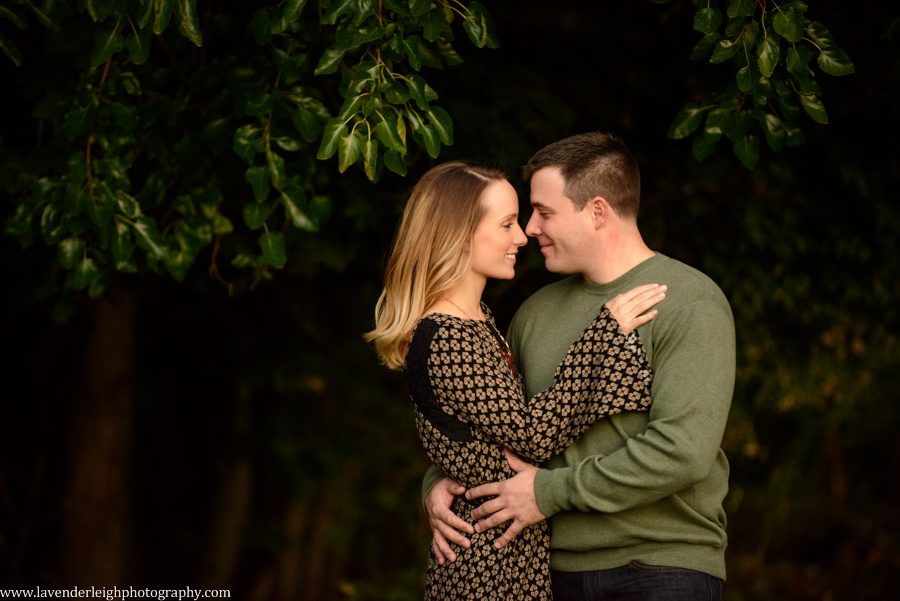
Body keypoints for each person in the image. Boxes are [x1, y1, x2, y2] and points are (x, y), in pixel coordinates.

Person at [423, 133, 736, 600]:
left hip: (661, 567)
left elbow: (681, 452)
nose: (530, 229)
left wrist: (547, 493)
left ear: (597, 211)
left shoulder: (689, 302)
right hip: (549, 573)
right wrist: (438, 484)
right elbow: (489, 421)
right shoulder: (535, 313)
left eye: (544, 212)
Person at [366, 161, 667, 599]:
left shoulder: (479, 321)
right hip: (487, 568)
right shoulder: (448, 337)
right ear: (459, 233)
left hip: (509, 556)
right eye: (506, 223)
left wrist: (440, 480)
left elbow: (481, 438)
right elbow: (533, 436)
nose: (522, 236)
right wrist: (604, 334)